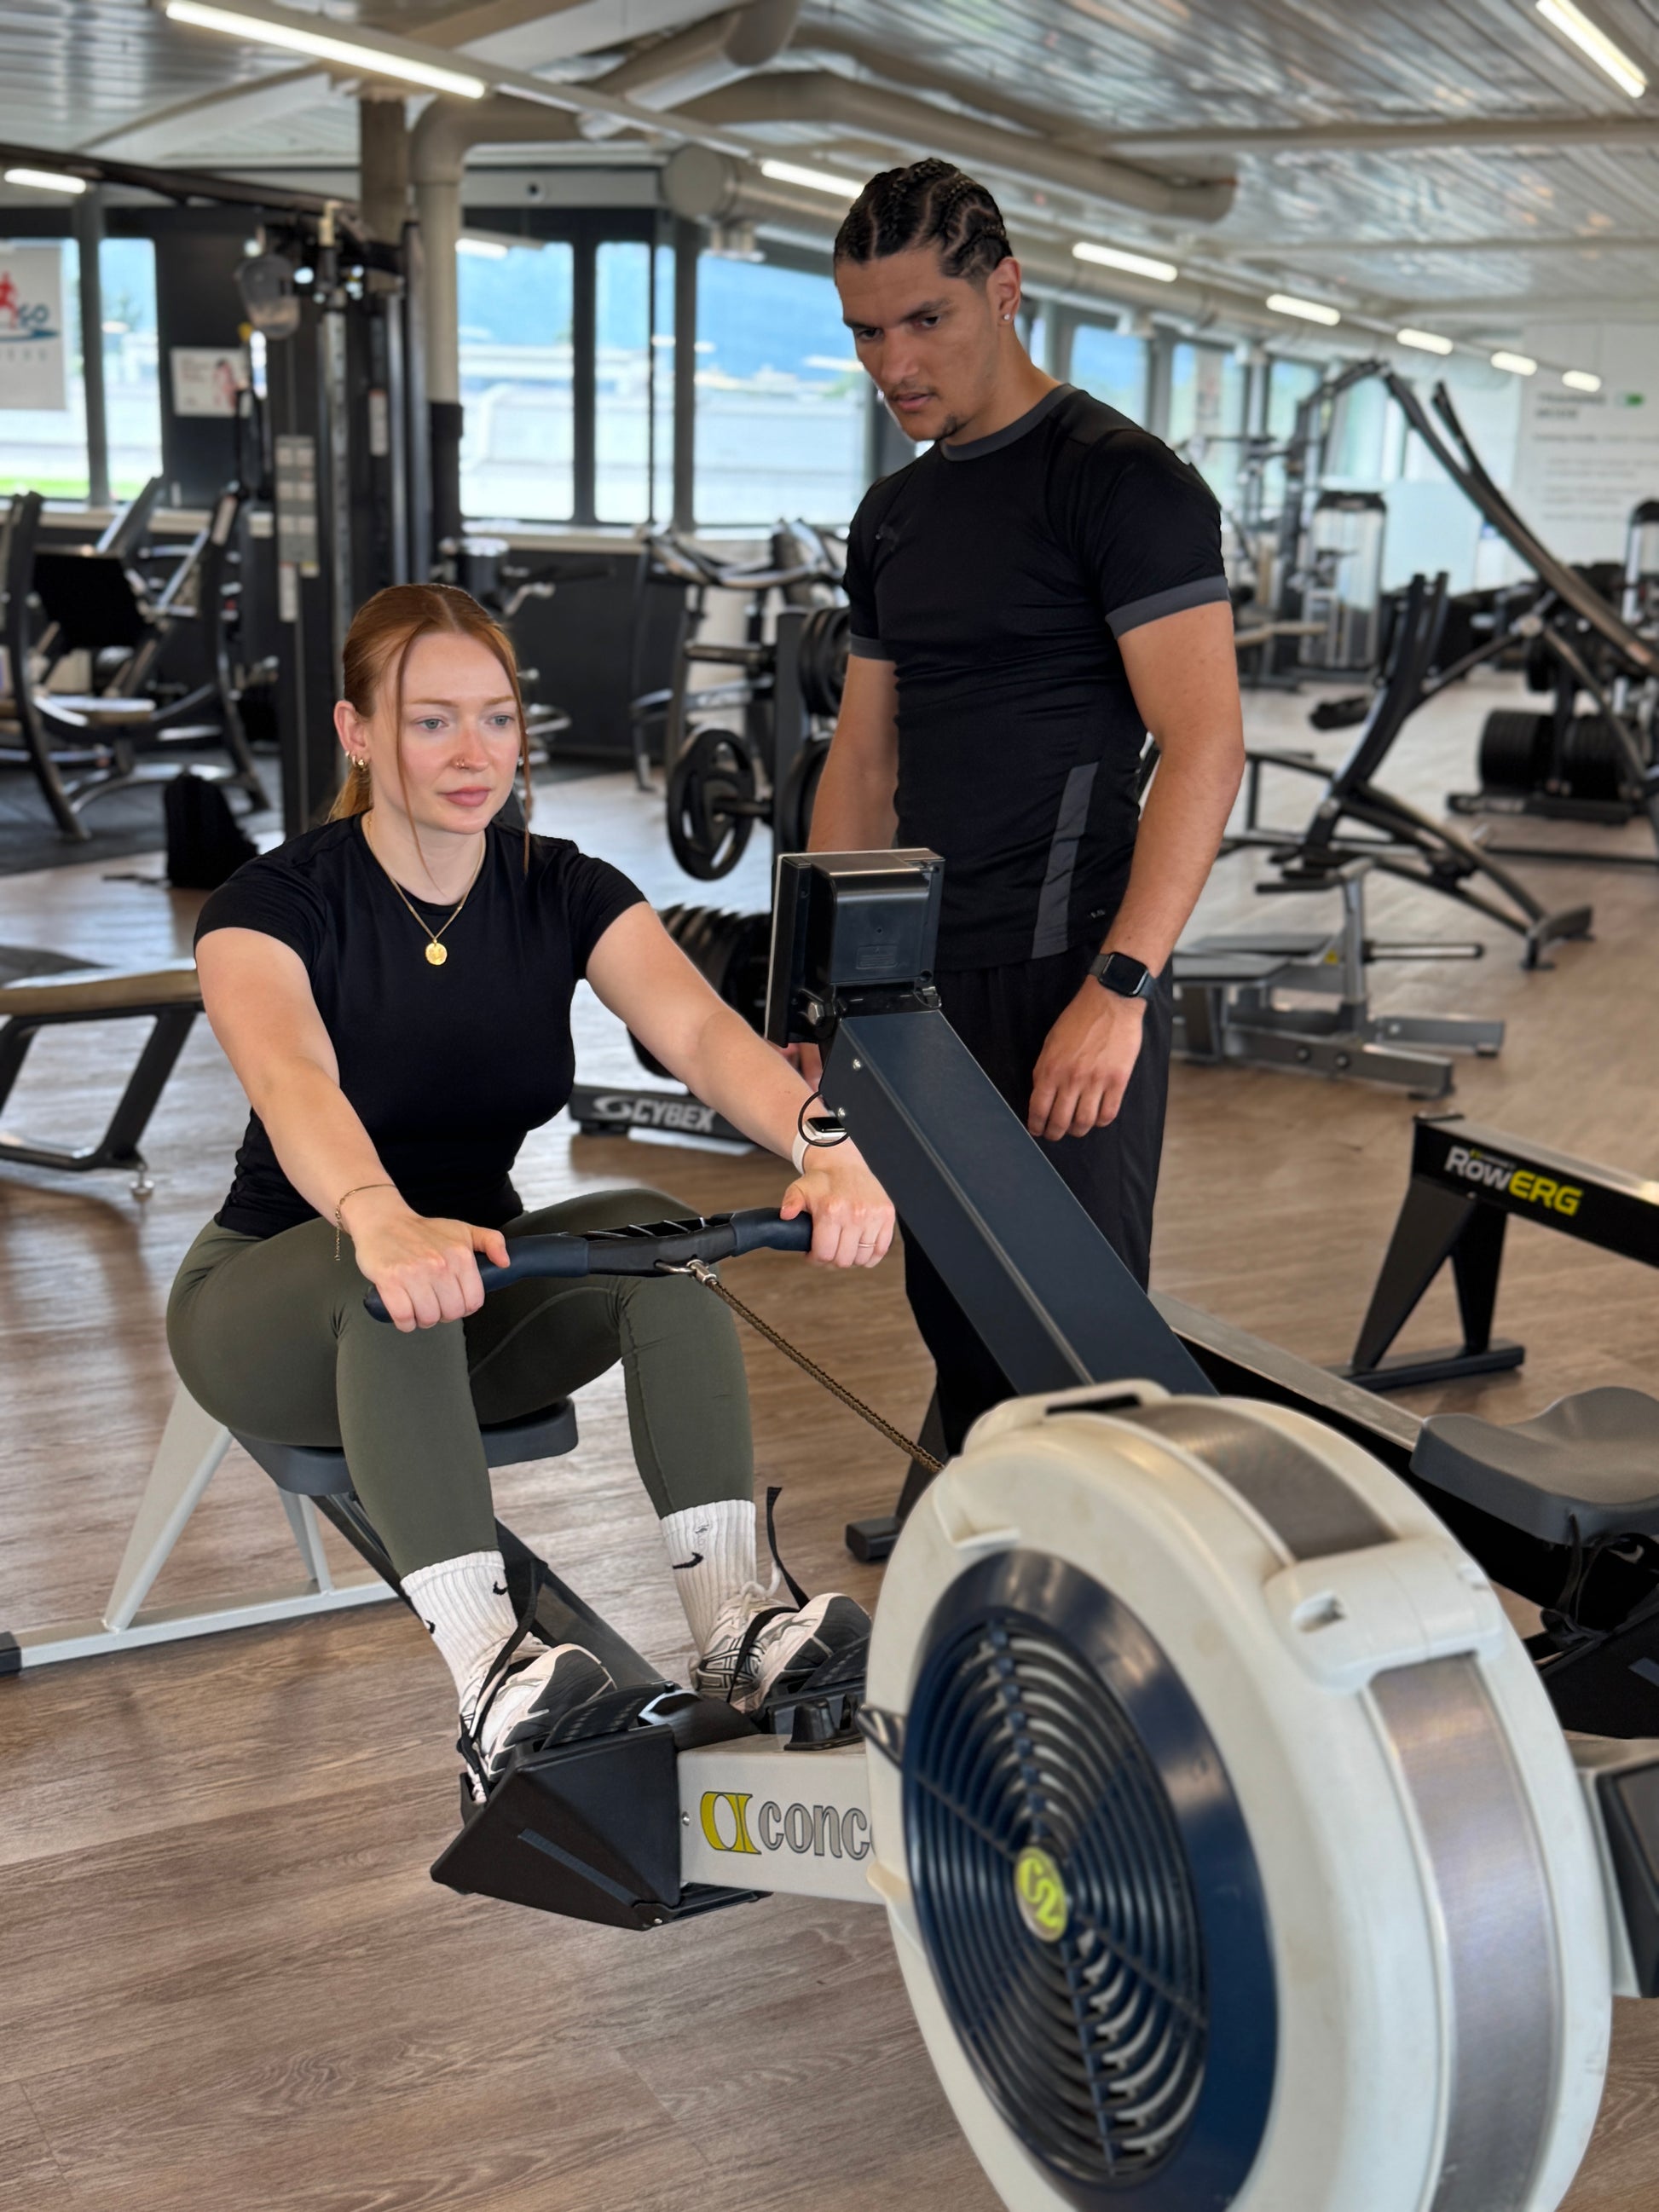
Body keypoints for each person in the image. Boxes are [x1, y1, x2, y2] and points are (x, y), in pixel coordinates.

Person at [168, 582, 893, 1796]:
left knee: (662, 1247)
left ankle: (737, 1625)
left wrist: (823, 1146)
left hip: (476, 1293)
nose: (474, 754)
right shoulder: (272, 904)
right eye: (431, 721)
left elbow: (699, 1033)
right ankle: (492, 1678)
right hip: (275, 1306)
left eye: (496, 718)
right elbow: (294, 1083)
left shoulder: (561, 886)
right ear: (356, 732)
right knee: (389, 1279)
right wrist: (377, 1215)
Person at [809, 159, 1246, 1454]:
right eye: (865, 333)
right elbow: (863, 761)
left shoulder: (1120, 482)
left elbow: (1205, 746)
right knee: (956, 1320)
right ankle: (992, 1540)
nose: (894, 364)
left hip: (1069, 976)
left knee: (1082, 1351)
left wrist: (1119, 991)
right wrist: (823, 986)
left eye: (924, 320)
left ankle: (1103, 1565)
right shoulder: (893, 515)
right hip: (920, 986)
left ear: (1004, 291)